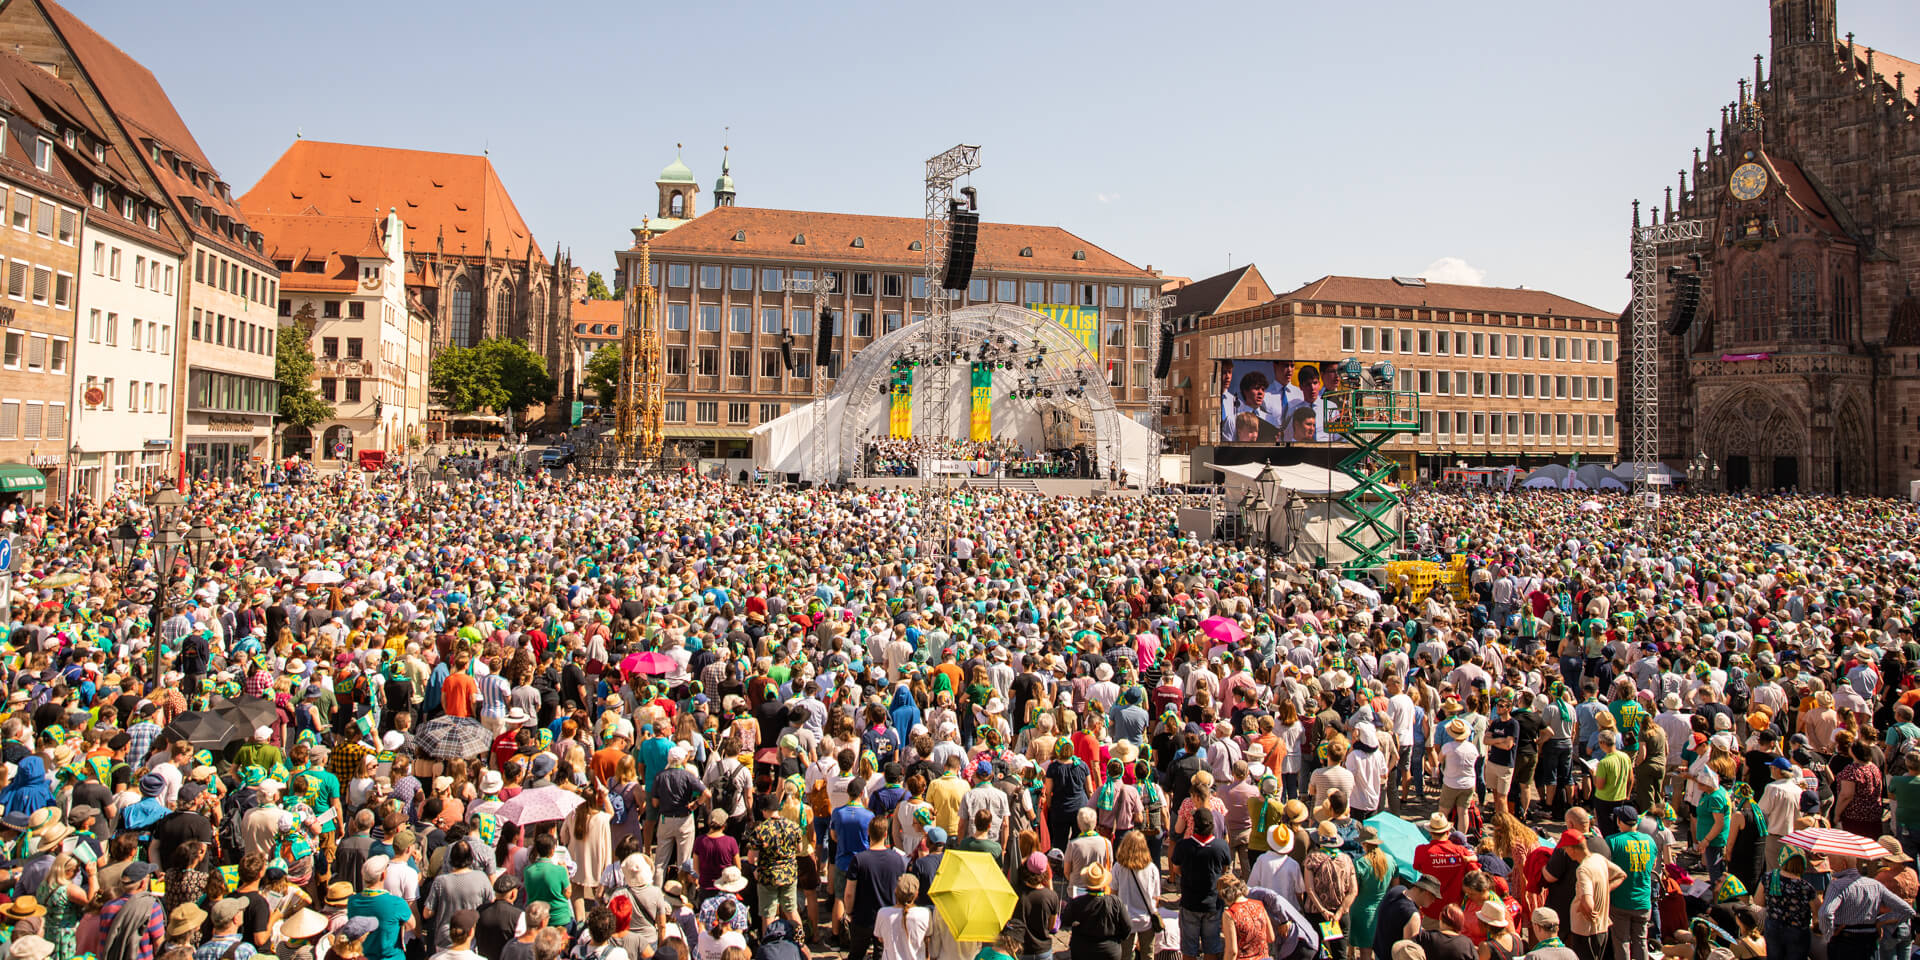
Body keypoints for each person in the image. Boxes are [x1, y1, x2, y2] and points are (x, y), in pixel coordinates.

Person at [1173, 808, 1232, 960]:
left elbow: (1176, 868)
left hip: (1189, 903)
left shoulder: (1183, 846)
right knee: (1211, 948)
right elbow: (1225, 868)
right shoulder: (1221, 846)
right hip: (1213, 903)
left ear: (1194, 825)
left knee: (1189, 949)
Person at [1605, 807, 1653, 960]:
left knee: (1622, 943)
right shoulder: (1650, 841)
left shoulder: (1613, 841)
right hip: (1643, 901)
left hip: (1620, 900)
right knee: (1641, 941)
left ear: (1619, 821)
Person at [1060, 864, 1129, 960]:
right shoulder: (1115, 902)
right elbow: (1127, 927)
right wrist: (1116, 939)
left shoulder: (1077, 902)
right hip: (1109, 951)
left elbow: (1065, 920)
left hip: (1083, 951)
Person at [1113, 831, 1162, 960]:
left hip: (1125, 919)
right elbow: (1156, 897)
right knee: (1148, 955)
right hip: (1146, 920)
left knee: (1125, 955)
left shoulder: (1118, 867)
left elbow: (1113, 893)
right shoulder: (1152, 869)